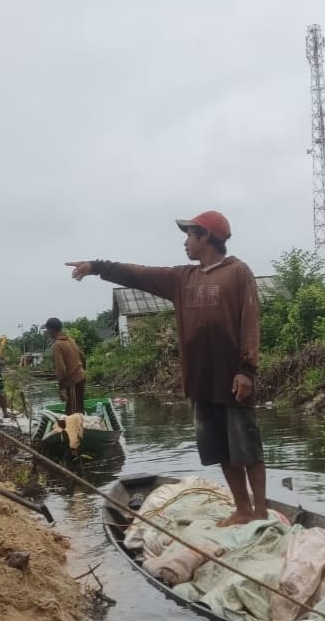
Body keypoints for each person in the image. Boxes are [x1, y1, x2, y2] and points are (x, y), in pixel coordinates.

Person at [67, 210, 266, 525]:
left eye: (190, 236)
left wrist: (247, 370)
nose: (185, 242)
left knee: (247, 447)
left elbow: (250, 321)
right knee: (223, 450)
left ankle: (261, 511)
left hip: (233, 378)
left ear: (206, 237)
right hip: (202, 380)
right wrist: (96, 267)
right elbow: (138, 274)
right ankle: (243, 509)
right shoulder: (182, 279)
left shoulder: (237, 272)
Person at [45, 318, 85, 415]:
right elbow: (83, 357)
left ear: (51, 330)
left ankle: (76, 424)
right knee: (78, 407)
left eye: (47, 330)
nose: (47, 333)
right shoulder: (71, 340)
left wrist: (62, 388)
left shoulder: (57, 345)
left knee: (73, 412)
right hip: (81, 377)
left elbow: (61, 368)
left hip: (73, 381)